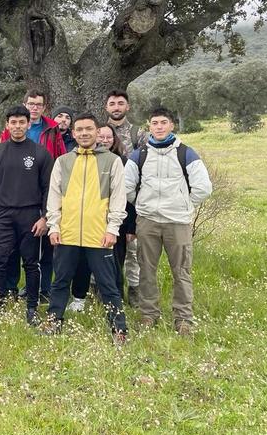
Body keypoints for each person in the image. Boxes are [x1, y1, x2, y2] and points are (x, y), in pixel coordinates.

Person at [125, 106, 212, 334]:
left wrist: (184, 203)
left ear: (172, 125)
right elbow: (126, 187)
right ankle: (148, 314)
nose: (159, 127)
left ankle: (183, 319)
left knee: (181, 271)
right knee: (146, 270)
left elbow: (203, 188)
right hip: (148, 222)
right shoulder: (139, 154)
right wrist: (142, 203)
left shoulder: (186, 153)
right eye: (155, 123)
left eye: (164, 122)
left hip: (178, 222)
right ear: (149, 126)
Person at [43, 113, 129, 343]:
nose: (83, 133)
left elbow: (119, 199)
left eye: (88, 129)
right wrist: (53, 226)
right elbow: (53, 196)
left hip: (99, 235)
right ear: (73, 133)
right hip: (67, 233)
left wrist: (113, 229)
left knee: (108, 284)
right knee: (60, 281)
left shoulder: (112, 161)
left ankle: (119, 330)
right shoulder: (63, 161)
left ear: (97, 132)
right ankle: (53, 321)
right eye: (79, 130)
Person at [0, 105, 54, 324]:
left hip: (31, 215)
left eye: (22, 122)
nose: (17, 126)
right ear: (7, 125)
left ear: (28, 124)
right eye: (13, 122)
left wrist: (45, 217)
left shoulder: (40, 153)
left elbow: (48, 189)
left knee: (31, 263)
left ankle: (31, 307)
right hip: (3, 213)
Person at [0, 89, 67, 303]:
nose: (34, 107)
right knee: (13, 250)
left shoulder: (52, 130)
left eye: (38, 104)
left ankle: (42, 289)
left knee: (43, 249)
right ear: (25, 104)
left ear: (44, 107)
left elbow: (61, 160)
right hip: (15, 198)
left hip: (44, 194)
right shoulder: (11, 129)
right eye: (31, 103)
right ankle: (11, 287)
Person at [105, 89, 146, 304]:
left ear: (127, 107)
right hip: (104, 201)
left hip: (132, 200)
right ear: (107, 107)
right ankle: (103, 288)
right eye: (112, 104)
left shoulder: (137, 134)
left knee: (132, 249)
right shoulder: (100, 131)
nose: (116, 107)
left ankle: (135, 289)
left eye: (121, 103)